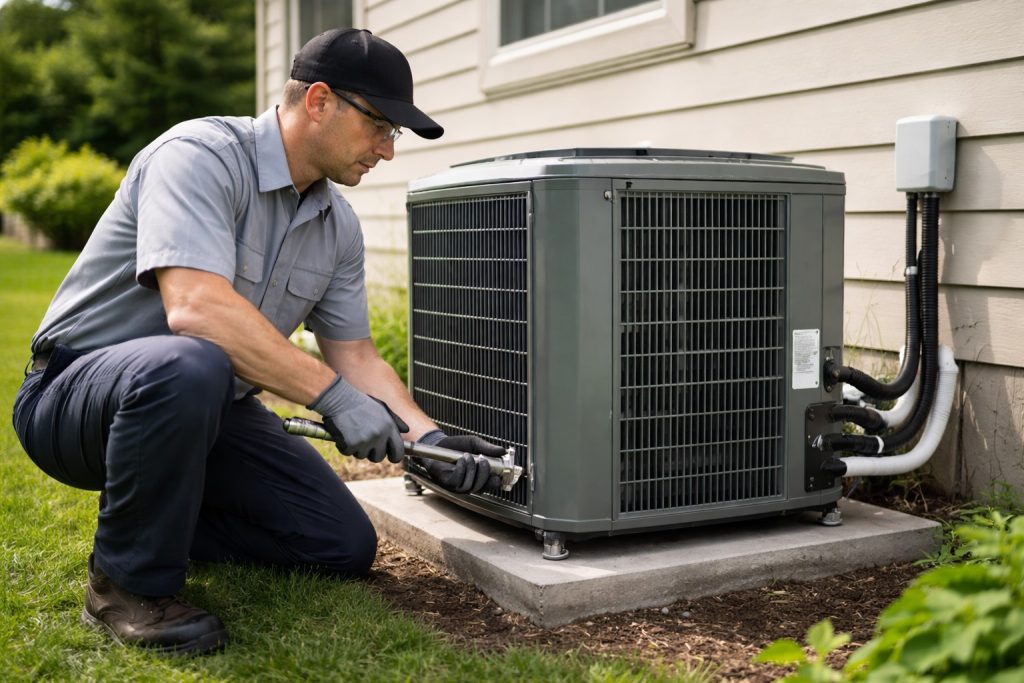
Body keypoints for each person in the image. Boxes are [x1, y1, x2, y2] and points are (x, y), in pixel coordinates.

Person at [11, 28, 503, 656]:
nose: (387, 150)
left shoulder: (337, 225)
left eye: (394, 134)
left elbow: (353, 354)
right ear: (320, 101)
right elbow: (195, 309)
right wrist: (334, 400)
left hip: (205, 408)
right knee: (192, 361)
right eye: (381, 125)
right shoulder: (199, 156)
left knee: (337, 544)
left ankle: (156, 507)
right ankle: (126, 586)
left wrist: (424, 439)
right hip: (75, 397)